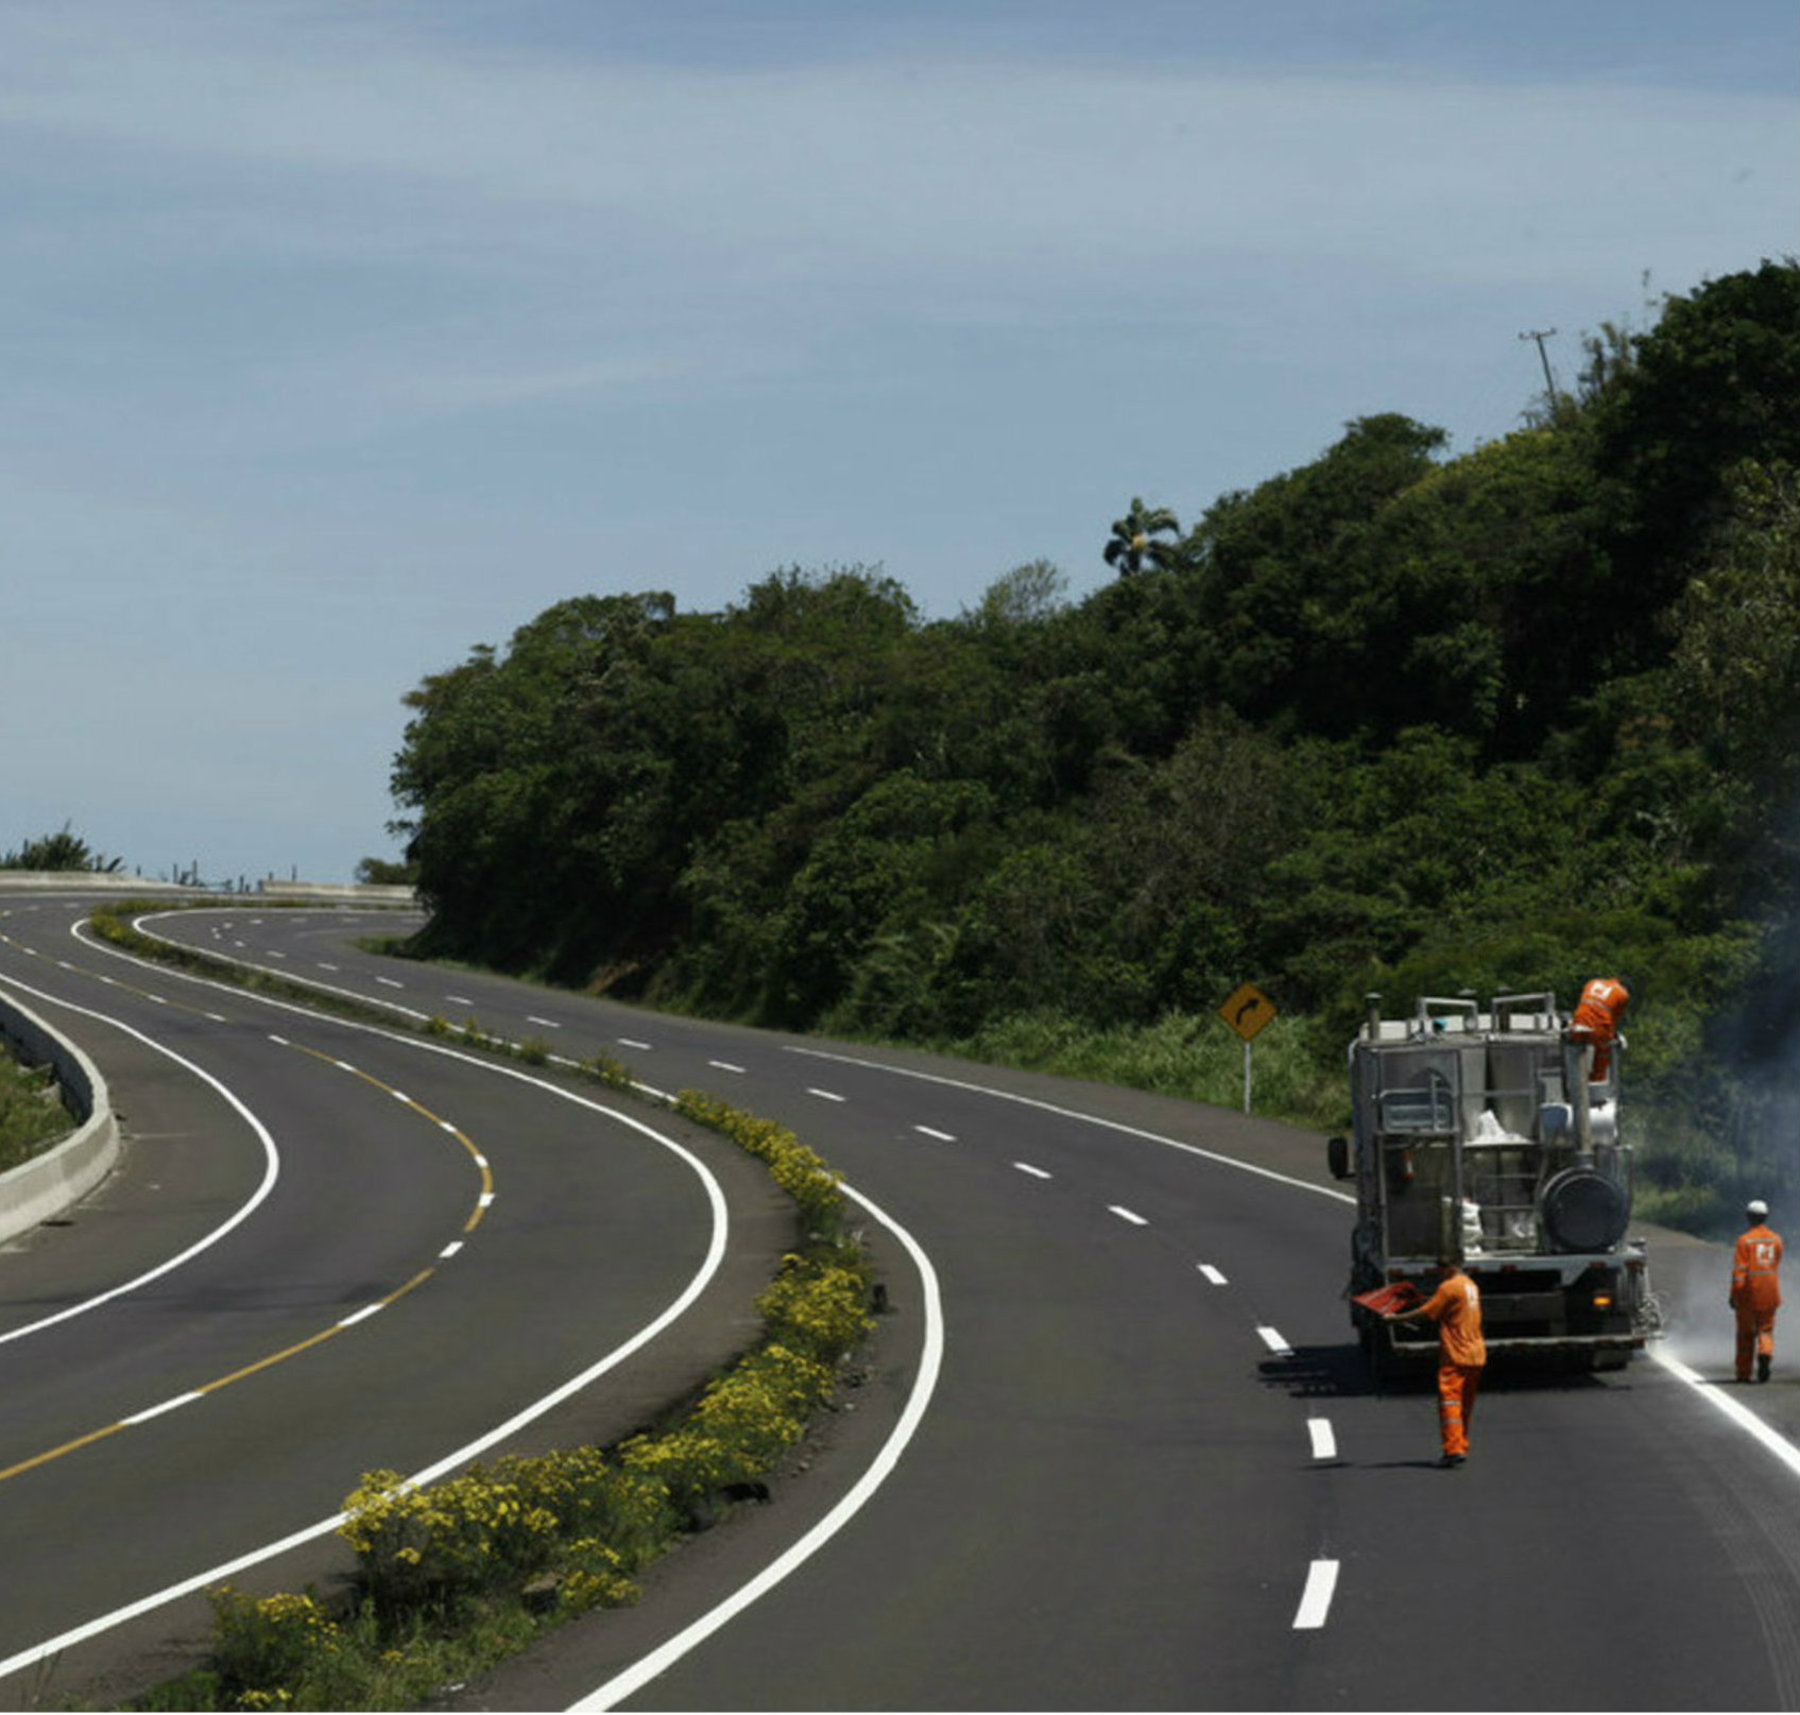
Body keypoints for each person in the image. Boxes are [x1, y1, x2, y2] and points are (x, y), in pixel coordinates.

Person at [1386, 1254, 1487, 1467]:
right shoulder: (1470, 1285)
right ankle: (1460, 1444)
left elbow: (1426, 1313)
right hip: (1476, 1354)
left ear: (1447, 1268)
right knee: (1465, 1404)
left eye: (1439, 1270)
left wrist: (1396, 1319)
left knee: (1450, 1401)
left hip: (1456, 1354)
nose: (1439, 1275)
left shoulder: (1449, 1287)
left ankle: (1453, 1449)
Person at [1731, 1199, 1783, 1383]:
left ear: (1749, 1217)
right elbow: (1775, 1264)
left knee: (1745, 1335)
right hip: (1770, 1293)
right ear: (1766, 1217)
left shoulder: (1744, 1241)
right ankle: (1765, 1353)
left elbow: (1739, 1273)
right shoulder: (1776, 1239)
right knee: (1766, 1330)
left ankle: (1744, 1373)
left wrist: (1734, 1296)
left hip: (1748, 1294)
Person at [1569, 976, 1630, 1083]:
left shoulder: (1592, 982)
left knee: (1575, 1051)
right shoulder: (1622, 994)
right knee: (1604, 1049)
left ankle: (1572, 1080)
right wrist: (1615, 1036)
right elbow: (1613, 1020)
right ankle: (1596, 1082)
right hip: (1598, 1026)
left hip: (1578, 1022)